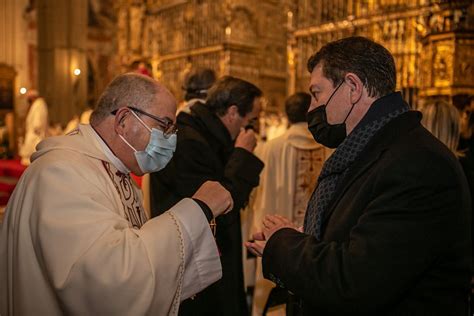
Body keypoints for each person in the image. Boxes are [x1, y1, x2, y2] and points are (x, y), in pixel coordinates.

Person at [246, 36, 472, 315]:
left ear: (352, 87)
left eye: (317, 94)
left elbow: (356, 281)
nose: (311, 110)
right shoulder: (373, 148)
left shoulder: (417, 163)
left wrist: (283, 243)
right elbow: (363, 239)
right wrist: (304, 237)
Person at [0, 73, 234, 316]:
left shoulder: (115, 171)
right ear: (123, 120)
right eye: (164, 126)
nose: (170, 140)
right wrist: (198, 208)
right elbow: (109, 282)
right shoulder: (61, 174)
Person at [150, 76, 264, 316]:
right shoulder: (190, 141)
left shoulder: (208, 135)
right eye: (252, 120)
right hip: (197, 264)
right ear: (233, 113)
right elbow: (219, 206)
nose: (253, 128)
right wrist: (242, 154)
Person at [251, 92, 328, 315]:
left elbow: (257, 191)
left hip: (277, 234)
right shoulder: (328, 147)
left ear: (287, 114)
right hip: (314, 239)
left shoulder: (271, 148)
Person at [19, 89, 49, 165]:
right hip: (32, 131)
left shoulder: (39, 104)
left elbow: (38, 117)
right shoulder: (36, 104)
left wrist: (37, 127)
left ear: (32, 97)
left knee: (34, 147)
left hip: (35, 132)